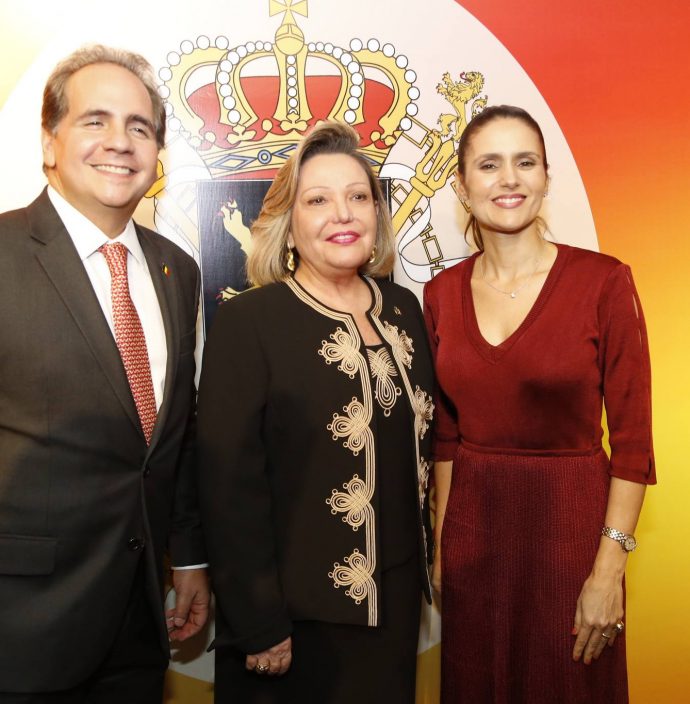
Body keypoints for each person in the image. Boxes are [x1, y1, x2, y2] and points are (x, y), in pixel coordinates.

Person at [423, 105, 655, 704]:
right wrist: (446, 542)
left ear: (546, 177)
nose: (509, 179)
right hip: (475, 539)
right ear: (461, 185)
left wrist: (609, 571)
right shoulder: (441, 294)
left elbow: (632, 447)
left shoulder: (605, 282)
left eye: (525, 162)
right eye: (489, 164)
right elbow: (445, 437)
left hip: (572, 535)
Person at [197, 121, 435, 703]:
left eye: (358, 196)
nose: (343, 214)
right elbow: (227, 486)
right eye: (318, 200)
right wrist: (259, 623)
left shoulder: (403, 308)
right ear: (289, 223)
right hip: (291, 629)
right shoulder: (249, 321)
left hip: (394, 615)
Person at [0, 45, 210, 702]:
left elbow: (168, 438)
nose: (120, 142)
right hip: (21, 627)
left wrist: (191, 556)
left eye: (139, 127)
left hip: (142, 624)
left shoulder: (179, 270)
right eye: (95, 120)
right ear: (49, 141)